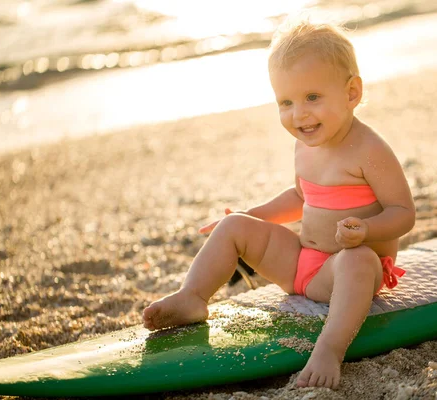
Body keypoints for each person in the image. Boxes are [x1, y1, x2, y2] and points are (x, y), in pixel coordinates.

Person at [142, 19, 416, 389]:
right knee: (234, 226)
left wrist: (367, 230)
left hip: (346, 273)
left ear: (351, 93)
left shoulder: (369, 149)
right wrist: (251, 216)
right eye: (285, 102)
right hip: (301, 261)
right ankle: (193, 297)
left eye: (312, 98)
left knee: (359, 258)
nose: (298, 114)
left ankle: (330, 349)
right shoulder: (306, 144)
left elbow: (403, 213)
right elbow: (301, 197)